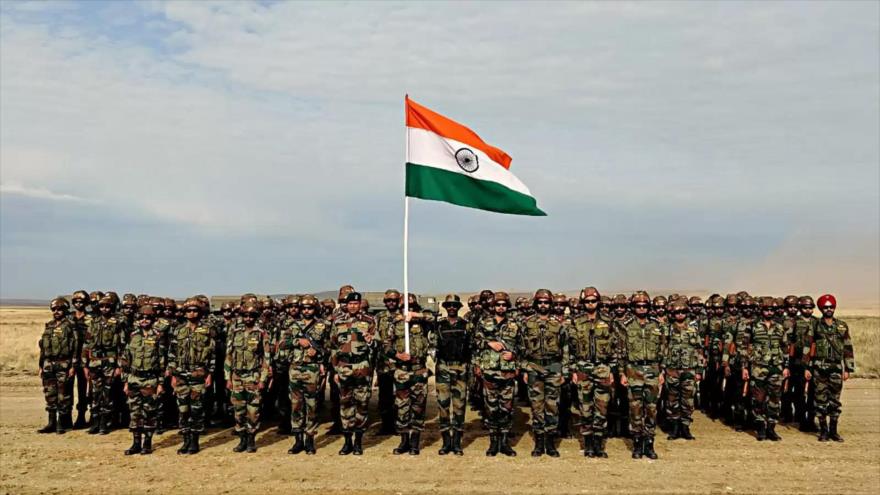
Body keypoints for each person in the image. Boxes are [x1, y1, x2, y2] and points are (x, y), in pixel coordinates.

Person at [566, 287, 618, 458]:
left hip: (603, 368)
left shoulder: (608, 321)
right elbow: (570, 348)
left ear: (598, 302)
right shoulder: (576, 322)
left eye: (593, 301)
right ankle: (588, 444)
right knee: (585, 408)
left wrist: (612, 369)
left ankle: (599, 445)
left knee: (602, 408)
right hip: (583, 368)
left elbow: (615, 347)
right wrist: (572, 369)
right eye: (587, 301)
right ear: (583, 303)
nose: (590, 304)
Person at [383, 293, 436, 455]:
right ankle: (404, 441)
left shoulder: (423, 322)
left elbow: (435, 318)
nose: (408, 309)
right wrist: (397, 355)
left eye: (412, 307)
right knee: (401, 407)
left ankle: (415, 442)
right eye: (406, 307)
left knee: (418, 406)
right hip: (402, 371)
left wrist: (415, 315)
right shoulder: (395, 322)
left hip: (419, 369)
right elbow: (385, 345)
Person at [519, 289, 567, 457]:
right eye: (540, 302)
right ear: (535, 304)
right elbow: (520, 348)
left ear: (550, 304)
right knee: (537, 407)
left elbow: (565, 348)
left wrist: (564, 371)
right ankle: (539, 443)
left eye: (546, 302)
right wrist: (525, 368)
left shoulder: (558, 325)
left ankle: (551, 443)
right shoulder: (527, 323)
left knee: (552, 407)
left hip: (553, 368)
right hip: (534, 368)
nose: (543, 305)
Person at [329, 291, 376, 455]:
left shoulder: (369, 321)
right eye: (350, 304)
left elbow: (377, 344)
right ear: (346, 305)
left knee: (362, 405)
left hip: (362, 367)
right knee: (345, 404)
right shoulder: (338, 322)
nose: (353, 306)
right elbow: (333, 347)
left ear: (360, 304)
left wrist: (372, 340)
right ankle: (347, 442)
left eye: (356, 304)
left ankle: (358, 442)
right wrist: (335, 370)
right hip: (344, 367)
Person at [166, 298, 215, 454]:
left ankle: (194, 442)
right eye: (188, 311)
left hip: (198, 374)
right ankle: (185, 440)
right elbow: (172, 354)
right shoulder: (178, 330)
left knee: (197, 409)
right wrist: (173, 374)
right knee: (183, 409)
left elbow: (212, 354)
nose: (191, 313)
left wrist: (210, 374)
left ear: (200, 312)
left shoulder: (207, 330)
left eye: (195, 310)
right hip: (180, 374)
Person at [473, 292, 519, 457]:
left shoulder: (515, 324)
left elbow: (523, 346)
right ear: (493, 307)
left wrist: (514, 355)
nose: (501, 307)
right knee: (491, 408)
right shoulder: (484, 322)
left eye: (504, 305)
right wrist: (488, 343)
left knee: (506, 408)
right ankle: (493, 443)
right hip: (490, 371)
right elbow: (475, 342)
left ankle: (505, 443)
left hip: (507, 372)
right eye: (498, 304)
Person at [282, 295, 328, 455]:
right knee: (296, 405)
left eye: (309, 308)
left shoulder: (323, 325)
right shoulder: (291, 325)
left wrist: (318, 352)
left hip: (312, 369)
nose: (306, 311)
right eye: (304, 308)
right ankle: (297, 440)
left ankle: (310, 440)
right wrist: (298, 342)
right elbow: (282, 344)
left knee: (312, 405)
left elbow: (330, 346)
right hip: (295, 369)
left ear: (315, 309)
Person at [805, 294, 855, 442]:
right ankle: (823, 430)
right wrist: (807, 367)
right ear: (821, 308)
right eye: (826, 307)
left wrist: (848, 368)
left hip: (836, 368)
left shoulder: (842, 326)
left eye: (831, 307)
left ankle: (834, 430)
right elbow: (808, 347)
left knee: (835, 400)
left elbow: (848, 347)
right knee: (820, 399)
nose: (829, 309)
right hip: (819, 367)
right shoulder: (814, 325)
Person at [120, 305, 166, 455]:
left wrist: (160, 383)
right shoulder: (132, 335)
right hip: (134, 378)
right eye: (141, 318)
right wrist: (125, 381)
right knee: (134, 412)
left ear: (153, 320)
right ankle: (135, 443)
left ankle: (147, 442)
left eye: (147, 318)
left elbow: (162, 362)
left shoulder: (158, 336)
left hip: (150, 380)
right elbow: (126, 360)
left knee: (149, 412)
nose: (144, 320)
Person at [225, 303, 271, 453]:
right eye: (245, 315)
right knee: (238, 411)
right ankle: (242, 440)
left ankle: (251, 440)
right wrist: (228, 378)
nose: (248, 318)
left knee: (253, 411)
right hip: (237, 377)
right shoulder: (235, 333)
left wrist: (263, 379)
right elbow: (229, 356)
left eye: (251, 316)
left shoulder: (261, 333)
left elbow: (266, 358)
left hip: (253, 376)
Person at [742, 297, 789, 441]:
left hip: (776, 368)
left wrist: (786, 367)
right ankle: (761, 428)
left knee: (775, 399)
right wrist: (745, 367)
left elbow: (785, 348)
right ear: (761, 310)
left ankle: (771, 429)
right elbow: (745, 348)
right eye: (766, 309)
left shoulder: (780, 328)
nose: (769, 312)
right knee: (758, 399)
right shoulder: (752, 326)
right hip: (758, 368)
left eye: (771, 310)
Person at [435, 294, 471, 455]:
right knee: (443, 406)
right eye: (448, 305)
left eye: (454, 305)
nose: (451, 308)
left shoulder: (466, 325)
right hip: (443, 367)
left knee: (459, 406)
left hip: (461, 367)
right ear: (445, 307)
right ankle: (446, 442)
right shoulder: (439, 325)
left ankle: (456, 442)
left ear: (458, 308)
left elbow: (472, 346)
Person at [83, 295, 124, 434]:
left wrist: (119, 366)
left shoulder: (117, 322)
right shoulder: (93, 323)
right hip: (94, 361)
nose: (104, 309)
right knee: (95, 392)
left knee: (108, 393)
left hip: (110, 362)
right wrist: (85, 365)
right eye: (102, 306)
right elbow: (87, 344)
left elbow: (122, 346)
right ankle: (94, 422)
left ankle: (104, 423)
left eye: (107, 306)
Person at [664, 299, 703, 440]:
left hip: (689, 369)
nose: (680, 315)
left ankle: (685, 427)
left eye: (683, 312)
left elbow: (699, 350)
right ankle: (674, 427)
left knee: (688, 399)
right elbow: (663, 349)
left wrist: (699, 371)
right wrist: (663, 369)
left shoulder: (693, 329)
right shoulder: (667, 329)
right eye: (677, 312)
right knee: (672, 399)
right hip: (672, 368)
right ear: (672, 314)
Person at [38, 298, 78, 434]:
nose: (57, 312)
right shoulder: (49, 326)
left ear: (65, 310)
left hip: (64, 364)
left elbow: (76, 347)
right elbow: (43, 348)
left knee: (63, 395)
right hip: (48, 364)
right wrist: (40, 365)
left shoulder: (71, 326)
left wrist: (73, 366)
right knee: (50, 394)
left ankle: (62, 423)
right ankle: (51, 422)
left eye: (60, 309)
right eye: (54, 309)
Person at [374, 289, 403, 435]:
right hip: (384, 363)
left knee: (400, 395)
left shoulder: (404, 316)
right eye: (388, 301)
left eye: (394, 300)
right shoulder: (379, 317)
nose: (391, 303)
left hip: (400, 363)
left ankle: (400, 424)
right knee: (384, 396)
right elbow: (374, 337)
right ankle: (386, 425)